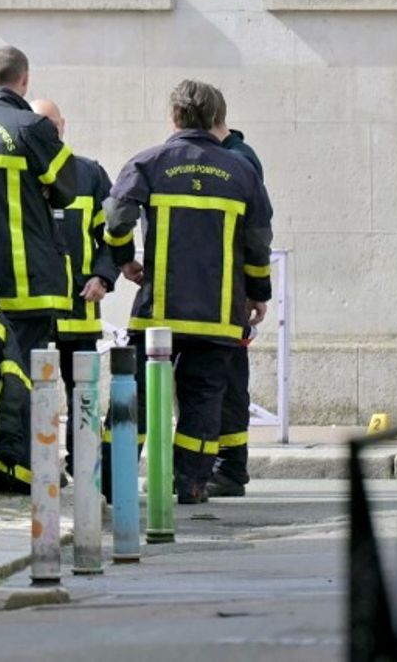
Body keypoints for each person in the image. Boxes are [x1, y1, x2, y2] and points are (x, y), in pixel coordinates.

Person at [103, 80, 273, 504]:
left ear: (174, 117)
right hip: (216, 316)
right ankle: (191, 485)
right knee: (202, 403)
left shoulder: (150, 162)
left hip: (159, 309)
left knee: (136, 396)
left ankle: (112, 482)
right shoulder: (241, 172)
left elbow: (116, 217)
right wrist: (258, 293)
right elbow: (257, 243)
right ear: (217, 119)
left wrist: (124, 258)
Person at [0, 46, 78, 367]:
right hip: (28, 282)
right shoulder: (33, 126)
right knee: (21, 379)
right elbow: (68, 189)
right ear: (25, 80)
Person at [30, 98, 118, 472]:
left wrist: (103, 277)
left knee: (81, 393)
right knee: (34, 393)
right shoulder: (20, 176)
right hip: (34, 310)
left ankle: (81, 464)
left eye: (53, 124)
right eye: (40, 125)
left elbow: (114, 234)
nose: (49, 132)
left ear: (63, 126)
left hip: (80, 308)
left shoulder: (90, 174)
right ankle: (39, 463)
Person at [208, 90, 265, 498]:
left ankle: (229, 468)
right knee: (222, 382)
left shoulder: (237, 160)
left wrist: (254, 289)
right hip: (224, 288)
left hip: (229, 291)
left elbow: (254, 232)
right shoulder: (237, 157)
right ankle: (225, 467)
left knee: (226, 382)